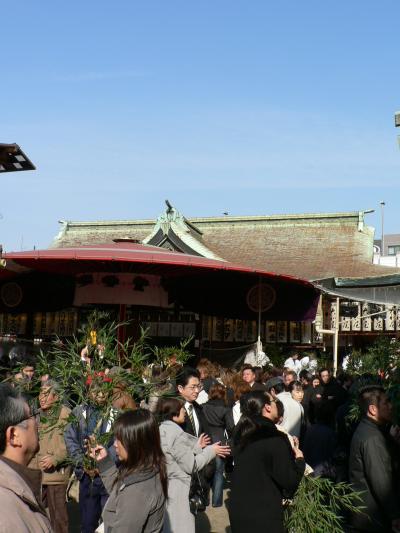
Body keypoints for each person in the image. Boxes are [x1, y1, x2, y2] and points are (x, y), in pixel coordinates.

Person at [229, 390, 305, 533]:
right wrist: (299, 460)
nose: (277, 404)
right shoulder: (274, 438)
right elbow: (289, 481)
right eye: (274, 401)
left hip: (239, 510)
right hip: (264, 513)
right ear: (267, 407)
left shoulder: (240, 434)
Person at [157, 397, 230, 533]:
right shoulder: (176, 434)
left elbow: (175, 457)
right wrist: (211, 450)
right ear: (174, 414)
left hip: (167, 485)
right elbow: (191, 465)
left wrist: (196, 448)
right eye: (181, 409)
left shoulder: (161, 429)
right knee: (181, 527)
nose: (184, 411)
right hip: (179, 489)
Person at [90, 409, 167, 533]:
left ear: (135, 443)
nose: (115, 444)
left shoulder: (138, 492)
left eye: (119, 439)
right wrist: (104, 462)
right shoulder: (148, 468)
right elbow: (120, 492)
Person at [64, 376, 115, 533]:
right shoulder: (78, 413)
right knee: (87, 523)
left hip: (109, 476)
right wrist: (83, 464)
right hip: (87, 477)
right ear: (88, 392)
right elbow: (70, 439)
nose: (100, 394)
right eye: (96, 390)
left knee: (111, 522)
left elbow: (119, 443)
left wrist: (105, 463)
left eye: (103, 391)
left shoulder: (115, 414)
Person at [0, 383, 52, 532]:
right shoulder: (5, 510)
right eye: (32, 416)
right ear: (14, 436)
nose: (36, 423)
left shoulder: (15, 487)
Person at [349, 386, 400, 532]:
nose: (391, 406)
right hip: (373, 519)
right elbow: (381, 481)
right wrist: (395, 515)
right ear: (373, 409)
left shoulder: (370, 430)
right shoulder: (372, 438)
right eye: (386, 403)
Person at [29, 379, 71, 533]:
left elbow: (72, 443)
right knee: (38, 517)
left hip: (56, 476)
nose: (42, 397)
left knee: (58, 519)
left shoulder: (65, 413)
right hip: (37, 473)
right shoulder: (36, 414)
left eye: (47, 394)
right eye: (41, 394)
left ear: (57, 396)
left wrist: (56, 459)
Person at [202, 383, 235, 507]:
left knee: (204, 470)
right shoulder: (226, 409)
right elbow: (231, 427)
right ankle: (216, 501)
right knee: (219, 472)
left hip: (206, 440)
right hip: (220, 439)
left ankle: (204, 499)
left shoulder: (203, 407)